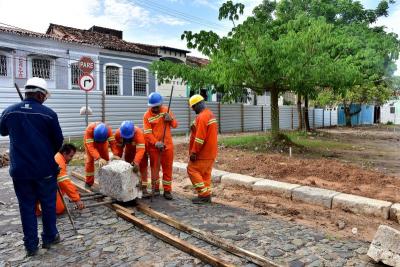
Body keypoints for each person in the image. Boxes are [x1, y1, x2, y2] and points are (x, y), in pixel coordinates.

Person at [0, 77, 64, 256]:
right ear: (39, 95)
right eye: (44, 96)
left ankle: (30, 245)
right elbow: (58, 141)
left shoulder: (9, 112)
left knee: (26, 207)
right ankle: (50, 237)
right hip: (44, 170)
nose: (44, 99)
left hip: (20, 171)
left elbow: (3, 130)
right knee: (48, 205)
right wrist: (45, 153)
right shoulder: (49, 114)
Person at [143, 92, 178, 200]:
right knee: (155, 169)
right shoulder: (147, 116)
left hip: (167, 146)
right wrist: (156, 143)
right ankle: (156, 189)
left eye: (157, 107)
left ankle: (167, 190)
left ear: (161, 104)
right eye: (152, 107)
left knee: (167, 169)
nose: (155, 109)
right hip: (154, 148)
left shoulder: (166, 111)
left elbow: (175, 125)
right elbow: (147, 133)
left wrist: (170, 119)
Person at [187, 95, 218, 204]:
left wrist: (194, 152)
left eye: (193, 107)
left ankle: (204, 195)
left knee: (192, 169)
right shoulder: (209, 114)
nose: (192, 109)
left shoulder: (202, 117)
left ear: (197, 104)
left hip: (203, 153)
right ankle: (207, 193)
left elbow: (200, 138)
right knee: (205, 174)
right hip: (211, 152)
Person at [37, 144, 84, 215]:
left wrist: (74, 191)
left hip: (45, 185)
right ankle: (39, 204)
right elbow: (64, 181)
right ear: (64, 153)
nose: (71, 158)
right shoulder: (59, 161)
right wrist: (76, 199)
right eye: (71, 156)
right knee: (59, 209)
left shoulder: (59, 157)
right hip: (42, 187)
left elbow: (64, 181)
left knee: (60, 199)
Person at [113, 121, 149, 195]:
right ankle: (132, 185)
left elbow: (140, 150)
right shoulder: (118, 134)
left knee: (142, 167)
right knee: (128, 167)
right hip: (129, 150)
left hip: (141, 151)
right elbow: (118, 147)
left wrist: (136, 162)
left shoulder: (139, 133)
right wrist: (117, 157)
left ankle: (144, 187)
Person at [84, 122, 118, 187]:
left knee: (105, 160)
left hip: (103, 144)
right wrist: (98, 158)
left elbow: (113, 143)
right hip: (91, 144)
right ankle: (89, 182)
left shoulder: (108, 131)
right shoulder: (89, 130)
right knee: (90, 161)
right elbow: (91, 147)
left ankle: (106, 181)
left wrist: (115, 154)